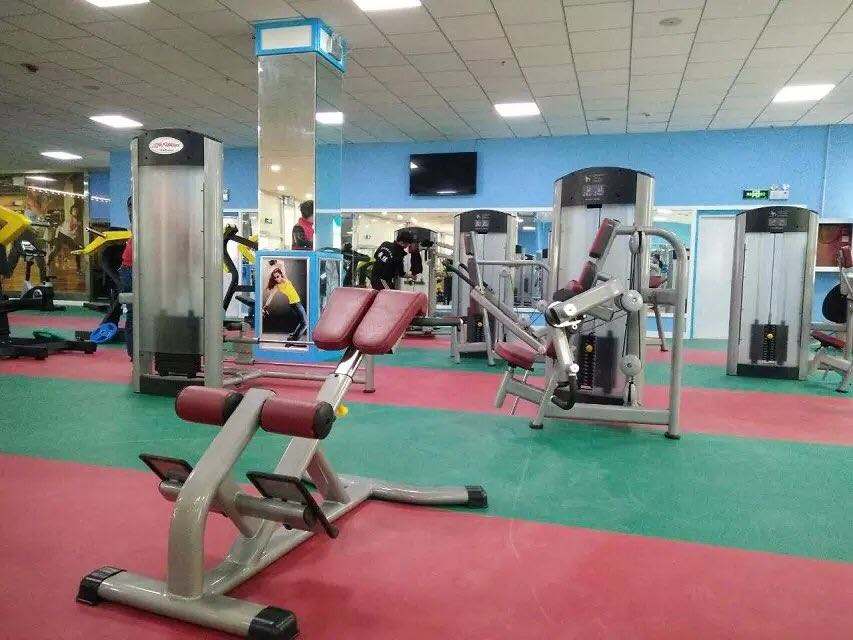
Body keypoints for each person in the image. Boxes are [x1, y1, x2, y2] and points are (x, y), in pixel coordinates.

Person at [263, 264, 308, 341]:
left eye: (277, 276)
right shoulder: (277, 286)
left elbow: (282, 264)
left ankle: (293, 337)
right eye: (275, 278)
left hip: (295, 303)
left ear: (281, 275)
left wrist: (274, 263)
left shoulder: (285, 279)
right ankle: (294, 340)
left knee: (302, 322)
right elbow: (271, 296)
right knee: (305, 323)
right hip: (295, 304)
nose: (276, 279)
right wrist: (266, 306)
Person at [119, 197, 133, 359]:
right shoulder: (138, 221)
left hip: (133, 268)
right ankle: (134, 352)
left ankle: (136, 351)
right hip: (130, 269)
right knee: (133, 312)